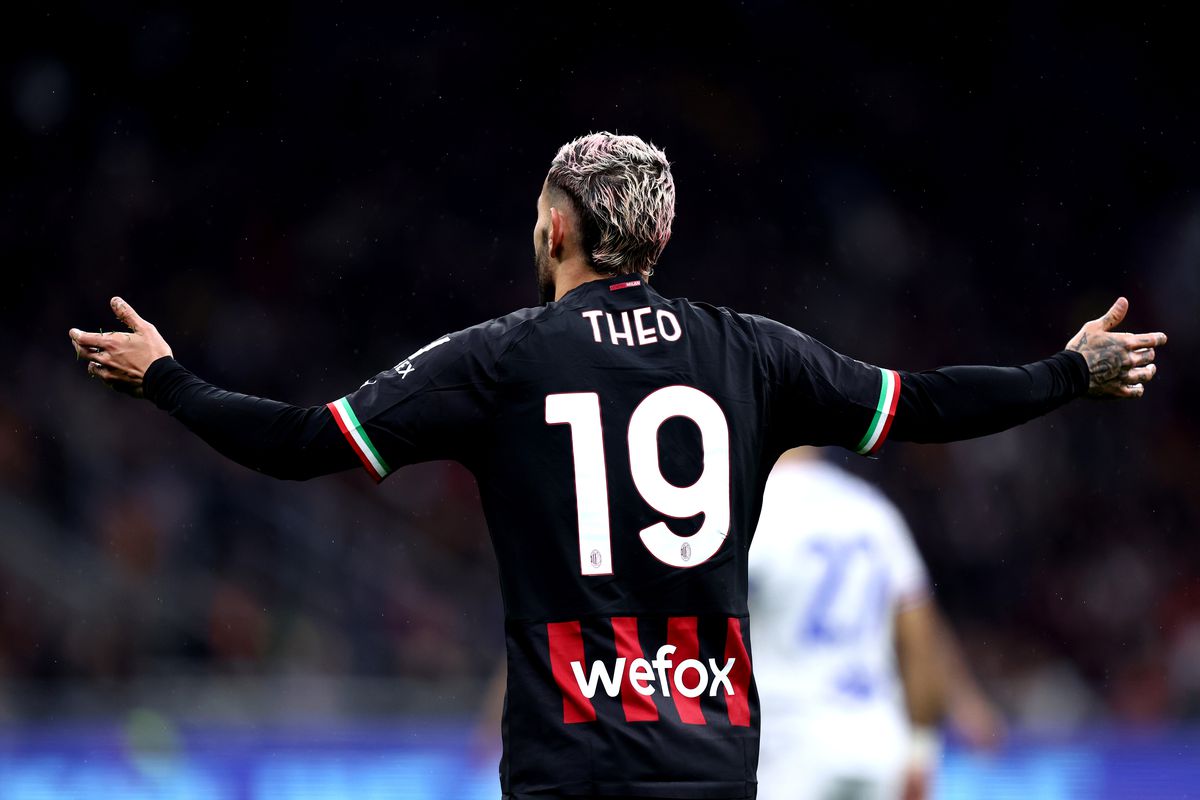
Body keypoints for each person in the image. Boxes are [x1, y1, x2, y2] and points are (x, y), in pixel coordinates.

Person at [69, 132, 1165, 800]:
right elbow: (928, 403)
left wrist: (168, 377)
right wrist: (1067, 371)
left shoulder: (497, 360)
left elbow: (303, 442)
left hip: (572, 759)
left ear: (554, 231)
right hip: (709, 757)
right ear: (663, 236)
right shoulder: (754, 350)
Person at [750, 448, 1004, 800]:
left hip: (789, 743)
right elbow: (918, 629)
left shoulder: (752, 507)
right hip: (876, 740)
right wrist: (921, 749)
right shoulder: (871, 510)